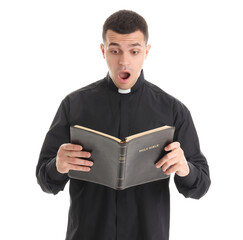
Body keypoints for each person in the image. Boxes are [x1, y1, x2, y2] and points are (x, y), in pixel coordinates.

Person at [36, 10, 211, 240]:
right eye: (115, 50)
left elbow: (200, 185)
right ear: (103, 51)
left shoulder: (173, 110)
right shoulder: (74, 105)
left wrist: (184, 167)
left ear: (146, 52)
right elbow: (44, 179)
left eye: (134, 51)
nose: (124, 61)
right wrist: (57, 166)